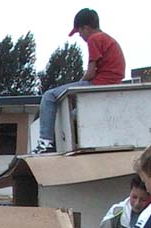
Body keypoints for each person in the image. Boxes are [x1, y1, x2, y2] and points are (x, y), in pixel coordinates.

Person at [33, 8, 125, 154]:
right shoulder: (109, 39)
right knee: (74, 114)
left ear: (86, 28)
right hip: (111, 85)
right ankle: (71, 141)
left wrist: (76, 87)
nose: (80, 36)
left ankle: (45, 142)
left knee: (49, 97)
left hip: (99, 84)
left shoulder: (95, 39)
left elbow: (90, 72)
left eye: (79, 32)